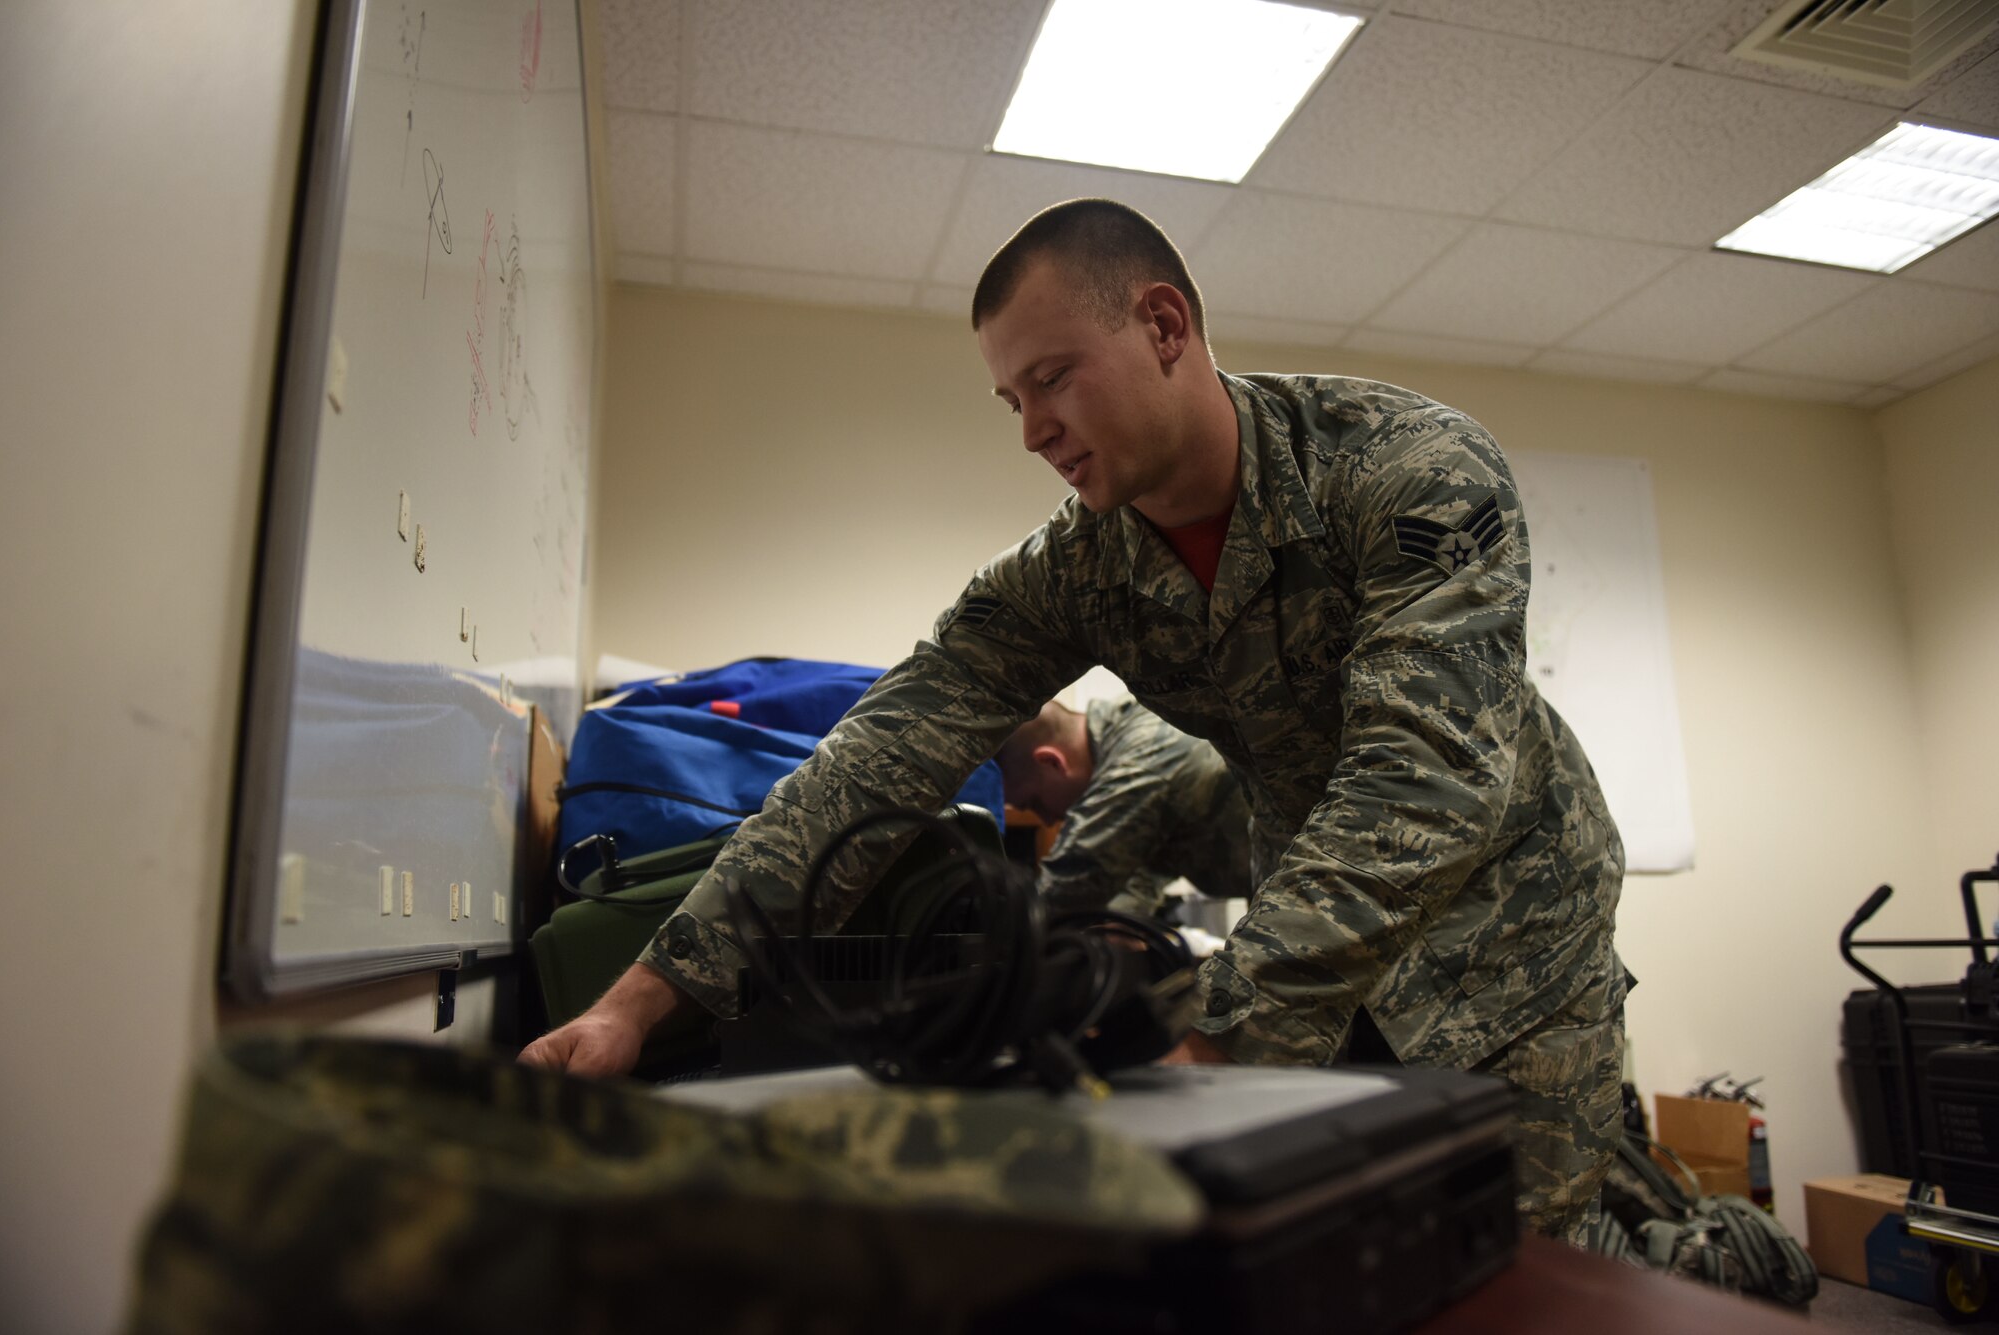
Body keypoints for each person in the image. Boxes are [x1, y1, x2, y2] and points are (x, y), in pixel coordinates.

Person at [522, 198, 1628, 1245]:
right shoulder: (1075, 569)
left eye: (1051, 379)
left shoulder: (1407, 470)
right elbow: (863, 771)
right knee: (1333, 1256)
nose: (1033, 432)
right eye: (1012, 401)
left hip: (1511, 945)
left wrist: (1213, 1036)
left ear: (1161, 326)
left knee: (1524, 1270)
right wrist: (633, 1004)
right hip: (1313, 944)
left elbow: (1419, 783)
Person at [997, 695, 1250, 918]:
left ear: (1052, 762)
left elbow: (1072, 880)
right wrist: (1121, 926)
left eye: (1035, 803)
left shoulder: (1141, 758)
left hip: (1285, 888)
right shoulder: (1126, 729)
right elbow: (1142, 867)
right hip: (1273, 889)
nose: (1048, 820)